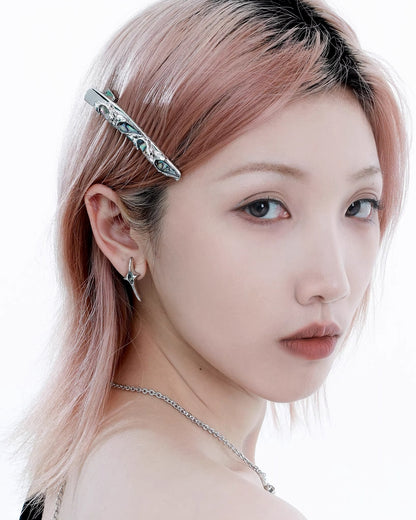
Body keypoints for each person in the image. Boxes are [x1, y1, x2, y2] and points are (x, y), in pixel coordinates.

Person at [17, 0, 408, 518]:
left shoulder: (88, 460)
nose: (332, 281)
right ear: (119, 227)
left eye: (359, 206)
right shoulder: (218, 505)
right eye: (262, 207)